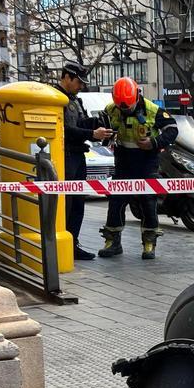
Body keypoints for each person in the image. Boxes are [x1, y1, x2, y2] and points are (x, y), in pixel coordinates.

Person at [98, 77, 179, 260]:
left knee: (148, 201)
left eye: (128, 107)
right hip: (123, 162)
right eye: (121, 108)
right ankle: (113, 241)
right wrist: (104, 133)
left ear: (137, 96)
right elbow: (102, 129)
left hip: (146, 161)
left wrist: (154, 142)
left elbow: (173, 130)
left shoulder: (153, 110)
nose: (125, 111)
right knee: (116, 201)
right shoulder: (111, 110)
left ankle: (149, 243)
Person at [57, 62, 113, 260]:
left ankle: (73, 243)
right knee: (67, 203)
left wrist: (100, 123)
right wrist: (92, 133)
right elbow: (66, 130)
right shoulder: (56, 99)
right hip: (66, 156)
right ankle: (62, 243)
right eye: (78, 82)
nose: (81, 86)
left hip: (78, 156)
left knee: (78, 202)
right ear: (67, 77)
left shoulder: (75, 100)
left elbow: (80, 123)